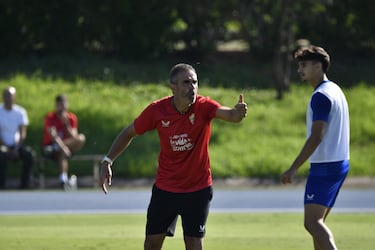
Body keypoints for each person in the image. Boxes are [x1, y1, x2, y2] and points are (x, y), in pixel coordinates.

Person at [100, 63, 247, 250]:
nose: (192, 87)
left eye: (195, 82)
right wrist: (108, 160)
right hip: (166, 188)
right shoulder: (157, 111)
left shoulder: (204, 106)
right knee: (152, 244)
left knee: (194, 244)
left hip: (197, 189)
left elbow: (230, 115)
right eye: (186, 82)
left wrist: (237, 113)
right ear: (173, 87)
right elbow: (129, 132)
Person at [280, 46, 350, 250]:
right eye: (299, 65)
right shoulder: (335, 89)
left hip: (325, 167)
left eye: (304, 65)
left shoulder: (320, 96)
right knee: (318, 224)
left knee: (312, 223)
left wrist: (293, 168)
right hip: (339, 163)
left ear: (318, 66)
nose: (299, 70)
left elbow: (317, 136)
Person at [42, 94, 86, 188]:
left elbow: (74, 137)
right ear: (56, 105)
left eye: (63, 104)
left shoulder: (71, 118)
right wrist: (63, 147)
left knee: (81, 138)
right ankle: (64, 179)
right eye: (59, 105)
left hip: (65, 148)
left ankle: (63, 180)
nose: (61, 108)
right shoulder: (50, 117)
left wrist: (66, 124)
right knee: (62, 150)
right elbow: (53, 136)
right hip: (51, 147)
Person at [0, 86, 35, 189]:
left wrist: (16, 148)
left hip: (16, 146)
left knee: (29, 154)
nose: (8, 98)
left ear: (14, 97)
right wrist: (6, 146)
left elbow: (22, 132)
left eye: (10, 96)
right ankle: (1, 185)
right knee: (2, 154)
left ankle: (25, 185)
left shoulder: (20, 112)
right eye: (6, 96)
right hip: (2, 145)